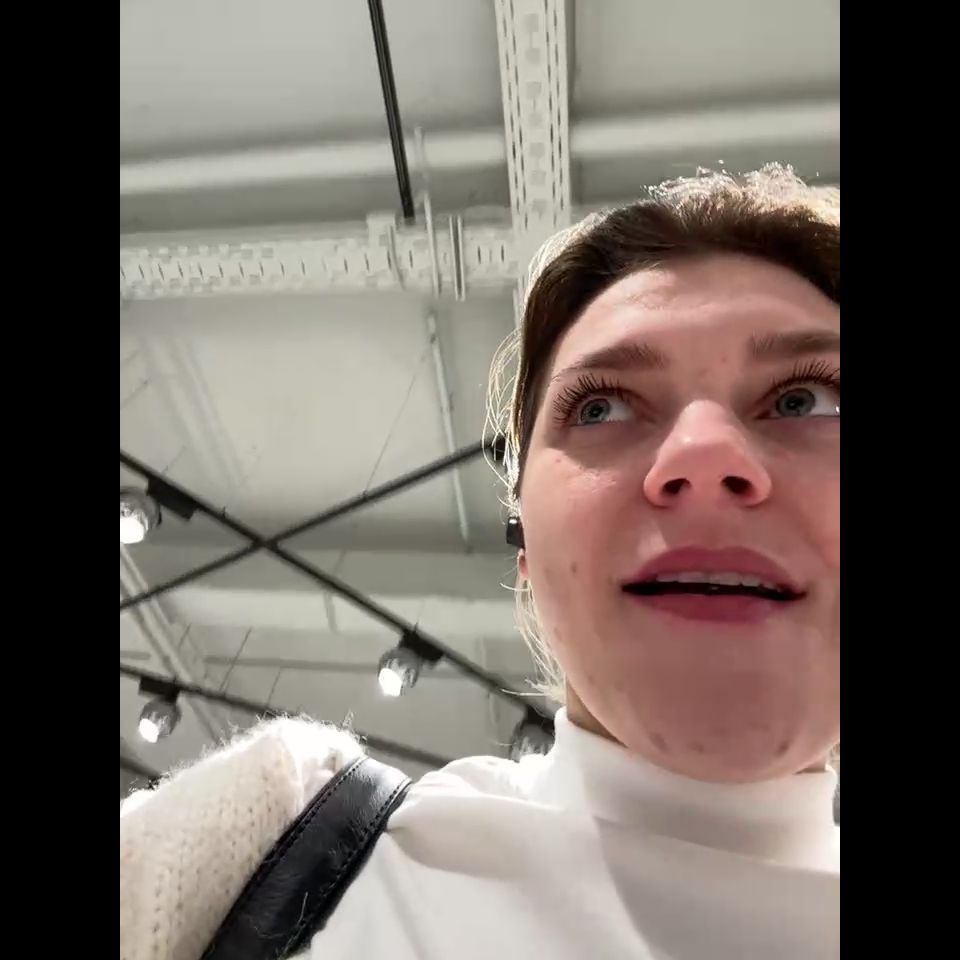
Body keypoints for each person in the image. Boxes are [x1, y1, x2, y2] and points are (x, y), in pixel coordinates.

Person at [120, 164, 840, 960]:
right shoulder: (263, 840)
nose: (703, 455)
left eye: (805, 399)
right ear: (526, 550)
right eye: (601, 407)